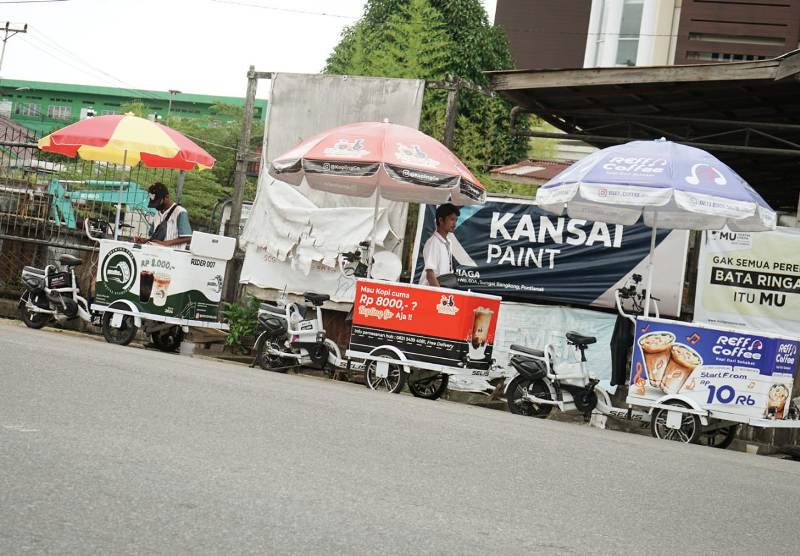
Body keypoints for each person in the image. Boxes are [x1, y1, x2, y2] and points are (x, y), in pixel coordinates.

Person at [136, 182, 192, 248]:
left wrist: (166, 243)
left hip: (173, 255)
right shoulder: (157, 214)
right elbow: (154, 237)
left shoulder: (180, 212)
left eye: (158, 202)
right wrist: (145, 241)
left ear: (167, 197)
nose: (156, 206)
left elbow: (188, 237)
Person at [419, 203, 460, 287]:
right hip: (430, 292)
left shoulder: (449, 242)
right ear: (441, 220)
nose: (454, 223)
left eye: (456, 220)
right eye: (452, 219)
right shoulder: (433, 243)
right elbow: (430, 274)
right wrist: (439, 293)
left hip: (441, 292)